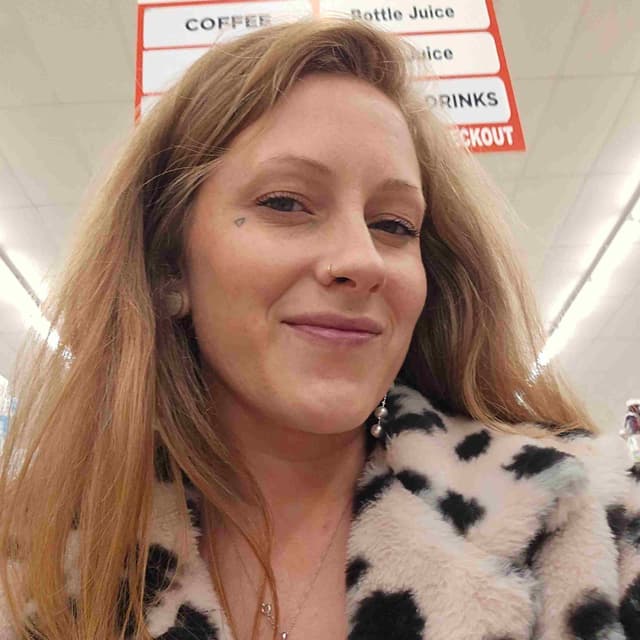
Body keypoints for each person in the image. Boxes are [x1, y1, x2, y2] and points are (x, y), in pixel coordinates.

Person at [0, 16, 638, 640]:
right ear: (170, 268)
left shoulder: (584, 523)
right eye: (285, 203)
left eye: (394, 225)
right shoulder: (36, 561)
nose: (363, 260)